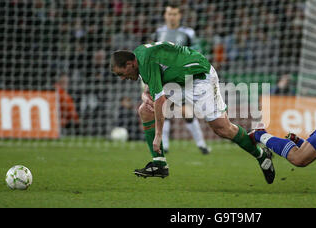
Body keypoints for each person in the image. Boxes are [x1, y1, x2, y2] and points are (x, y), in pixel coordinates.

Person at [110, 41, 275, 184]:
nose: (122, 78)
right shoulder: (139, 56)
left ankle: (261, 155)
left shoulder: (145, 60)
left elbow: (160, 100)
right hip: (179, 81)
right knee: (145, 109)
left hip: (199, 77)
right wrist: (145, 94)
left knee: (222, 128)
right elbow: (153, 78)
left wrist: (158, 135)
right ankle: (159, 164)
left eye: (121, 74)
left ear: (130, 64)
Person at [150, 2, 210, 155]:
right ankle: (166, 146)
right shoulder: (158, 33)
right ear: (165, 15)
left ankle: (201, 144)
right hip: (164, 77)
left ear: (179, 15)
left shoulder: (188, 33)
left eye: (175, 14)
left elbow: (197, 53)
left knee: (186, 111)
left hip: (183, 77)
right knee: (166, 109)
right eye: (169, 14)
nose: (172, 17)